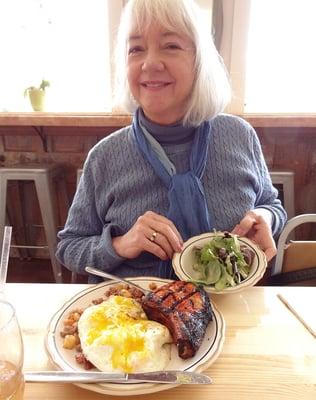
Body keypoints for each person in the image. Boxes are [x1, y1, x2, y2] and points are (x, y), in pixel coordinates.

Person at [56, 0, 286, 283]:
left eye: (171, 45)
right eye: (136, 49)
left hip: (234, 309)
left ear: (199, 61)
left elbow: (271, 204)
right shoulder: (104, 157)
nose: (150, 63)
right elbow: (70, 247)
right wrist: (120, 245)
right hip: (134, 318)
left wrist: (266, 216)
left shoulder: (239, 135)